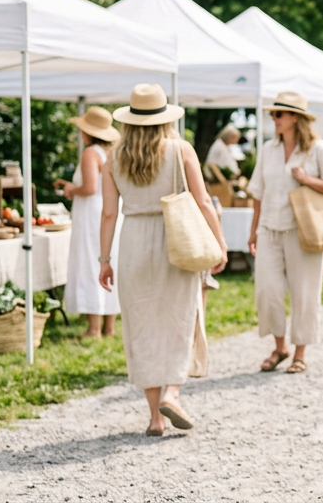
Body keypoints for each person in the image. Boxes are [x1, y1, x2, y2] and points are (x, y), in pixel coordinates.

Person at [98, 84, 225, 436]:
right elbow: (202, 202)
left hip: (134, 240)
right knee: (179, 318)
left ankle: (155, 418)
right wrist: (219, 242)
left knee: (142, 326)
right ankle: (173, 392)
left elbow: (109, 213)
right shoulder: (180, 149)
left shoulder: (113, 157)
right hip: (176, 238)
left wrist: (104, 259)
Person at [246, 92, 323, 374]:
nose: (273, 119)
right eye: (273, 115)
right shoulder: (268, 149)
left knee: (304, 293)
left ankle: (300, 352)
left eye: (278, 114)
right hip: (268, 228)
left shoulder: (318, 149)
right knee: (268, 292)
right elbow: (257, 193)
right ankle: (280, 347)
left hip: (304, 231)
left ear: (295, 118)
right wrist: (253, 231)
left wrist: (306, 179)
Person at [58, 107, 121, 338]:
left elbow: (90, 188)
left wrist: (71, 189)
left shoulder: (90, 154)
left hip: (91, 215)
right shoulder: (111, 152)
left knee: (91, 263)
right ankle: (109, 327)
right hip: (110, 210)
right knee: (108, 261)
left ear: (87, 132)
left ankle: (94, 328)